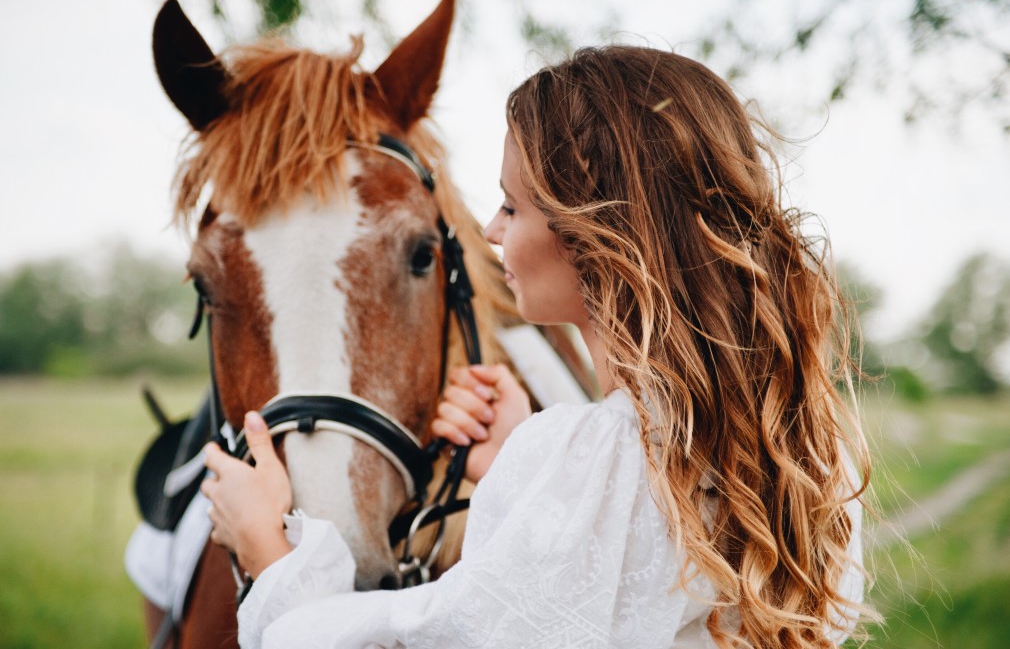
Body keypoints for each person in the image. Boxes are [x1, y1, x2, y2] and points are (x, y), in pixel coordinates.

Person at [202, 45, 871, 648]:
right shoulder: (803, 449)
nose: (489, 232)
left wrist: (270, 553)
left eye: (512, 207)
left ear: (597, 237)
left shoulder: (589, 456)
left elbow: (425, 640)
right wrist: (526, 473)